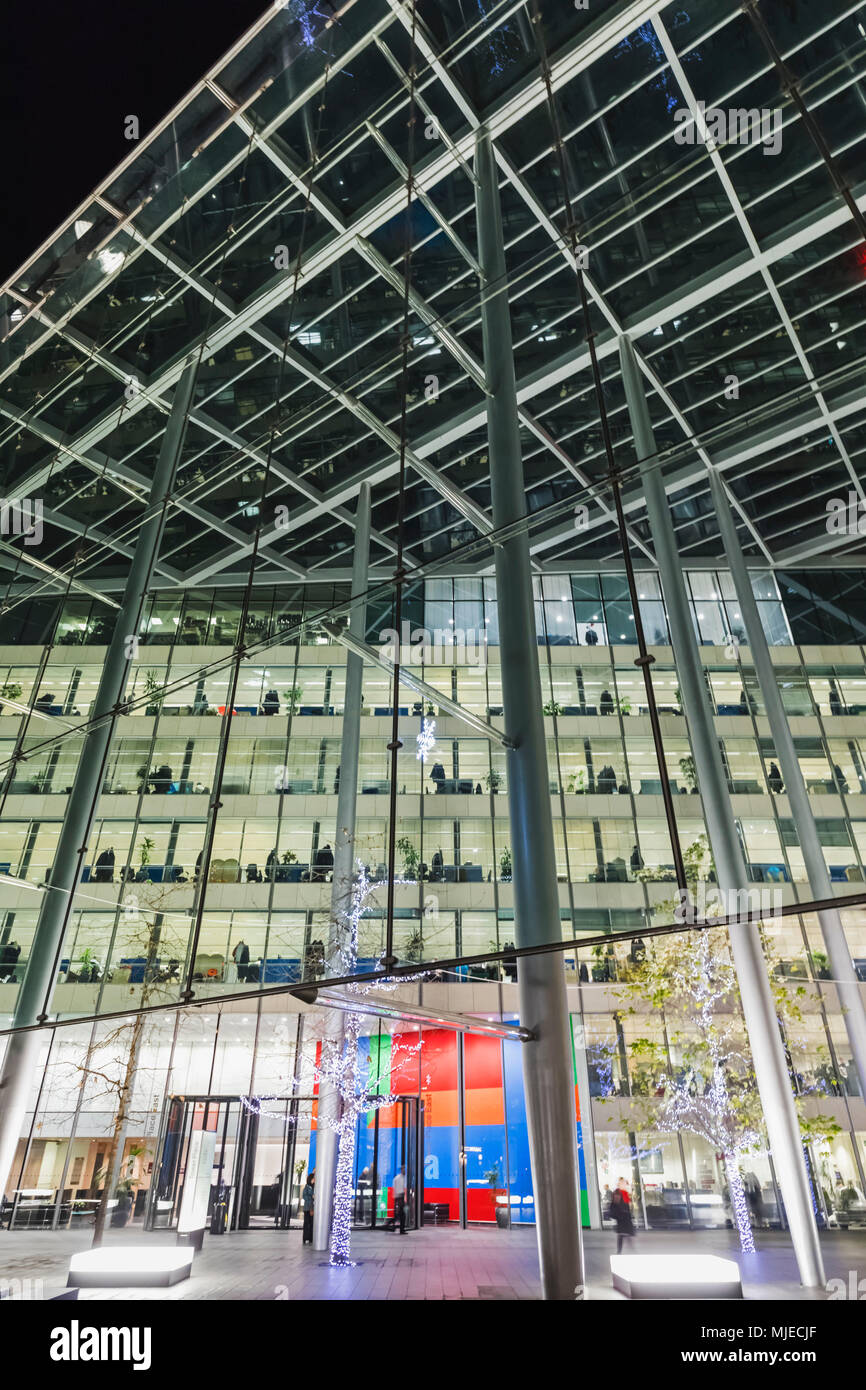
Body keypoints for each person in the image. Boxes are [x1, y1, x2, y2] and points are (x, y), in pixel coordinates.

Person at [610, 1176, 635, 1254]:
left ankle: (624, 1251)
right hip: (622, 1217)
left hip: (625, 1216)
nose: (625, 1184)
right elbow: (617, 1205)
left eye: (625, 1183)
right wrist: (621, 1214)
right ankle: (621, 1251)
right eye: (623, 1183)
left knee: (624, 1234)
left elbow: (627, 1205)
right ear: (619, 1184)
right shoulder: (617, 1192)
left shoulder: (624, 1193)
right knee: (623, 1234)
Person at [391, 1166, 407, 1234]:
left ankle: (392, 1224)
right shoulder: (399, 1178)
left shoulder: (399, 1178)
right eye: (404, 1169)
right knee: (401, 1214)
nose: (405, 1171)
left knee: (399, 1214)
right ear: (401, 1170)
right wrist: (404, 1198)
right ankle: (401, 1229)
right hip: (399, 1197)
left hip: (398, 1197)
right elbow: (401, 1189)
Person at [302, 1172, 315, 1245]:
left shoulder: (315, 1187)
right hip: (307, 1208)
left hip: (313, 1208)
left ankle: (311, 1238)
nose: (314, 1180)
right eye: (313, 1179)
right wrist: (311, 1197)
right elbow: (304, 1196)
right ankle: (305, 1238)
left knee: (312, 1224)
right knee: (307, 1224)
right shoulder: (307, 1187)